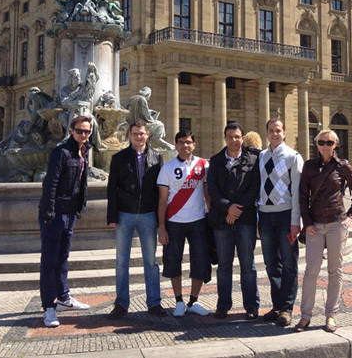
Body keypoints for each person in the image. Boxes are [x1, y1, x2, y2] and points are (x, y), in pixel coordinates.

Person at [295, 129, 352, 333]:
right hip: (315, 225)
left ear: (335, 145)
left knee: (335, 271)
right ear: (317, 144)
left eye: (329, 142)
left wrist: (351, 216)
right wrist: (307, 223)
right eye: (322, 142)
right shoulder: (309, 166)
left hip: (336, 223)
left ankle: (331, 315)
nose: (325, 146)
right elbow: (302, 196)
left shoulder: (343, 166)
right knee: (311, 272)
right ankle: (305, 316)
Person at [107, 120, 166, 318]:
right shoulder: (119, 158)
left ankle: (154, 303)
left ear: (147, 135)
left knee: (151, 261)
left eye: (142, 133)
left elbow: (161, 190)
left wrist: (161, 219)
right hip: (125, 213)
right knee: (122, 262)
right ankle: (121, 304)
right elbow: (111, 189)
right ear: (129, 135)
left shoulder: (157, 157)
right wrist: (112, 215)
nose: (139, 137)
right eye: (135, 133)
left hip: (148, 214)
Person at [38, 115, 93, 328]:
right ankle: (49, 307)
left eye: (87, 131)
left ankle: (63, 297)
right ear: (71, 130)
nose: (83, 135)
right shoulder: (61, 152)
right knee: (50, 260)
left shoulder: (83, 151)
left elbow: (82, 181)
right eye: (80, 131)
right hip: (55, 213)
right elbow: (50, 183)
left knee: (63, 257)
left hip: (69, 213)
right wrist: (49, 213)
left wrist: (80, 206)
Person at [207, 122, 260, 319]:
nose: (233, 140)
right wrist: (227, 207)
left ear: (243, 138)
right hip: (222, 220)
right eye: (230, 136)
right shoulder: (216, 160)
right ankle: (223, 304)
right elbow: (212, 188)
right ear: (225, 138)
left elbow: (255, 188)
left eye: (237, 136)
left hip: (245, 220)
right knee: (224, 265)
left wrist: (237, 210)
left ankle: (251, 306)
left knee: (248, 265)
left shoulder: (254, 159)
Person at [157, 129, 211, 317]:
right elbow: (162, 201)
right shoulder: (167, 168)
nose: (185, 145)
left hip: (198, 221)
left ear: (194, 145)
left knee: (200, 262)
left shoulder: (204, 165)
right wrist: (161, 227)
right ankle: (179, 300)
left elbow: (207, 195)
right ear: (176, 145)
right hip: (174, 221)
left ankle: (194, 301)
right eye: (181, 142)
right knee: (173, 262)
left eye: (188, 142)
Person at [258, 118, 303, 326]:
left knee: (289, 263)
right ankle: (277, 306)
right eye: (271, 131)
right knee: (270, 263)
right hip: (266, 215)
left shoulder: (293, 156)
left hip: (286, 215)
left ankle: (286, 308)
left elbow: (297, 191)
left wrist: (296, 221)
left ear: (284, 133)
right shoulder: (261, 156)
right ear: (266, 133)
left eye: (278, 131)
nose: (274, 134)